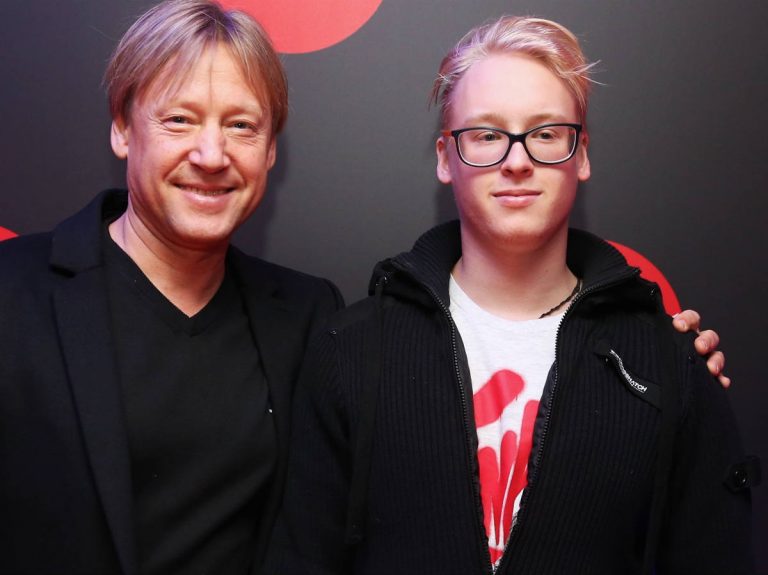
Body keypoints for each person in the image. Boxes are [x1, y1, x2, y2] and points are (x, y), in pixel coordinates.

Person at [264, 15, 758, 575]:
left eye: (545, 134)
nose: (517, 161)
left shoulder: (669, 363)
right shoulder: (353, 350)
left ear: (581, 154)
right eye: (487, 135)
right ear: (445, 158)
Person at [0, 1, 344, 574]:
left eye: (241, 126)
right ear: (122, 128)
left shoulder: (308, 315)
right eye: (179, 119)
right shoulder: (12, 291)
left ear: (270, 150)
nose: (211, 155)